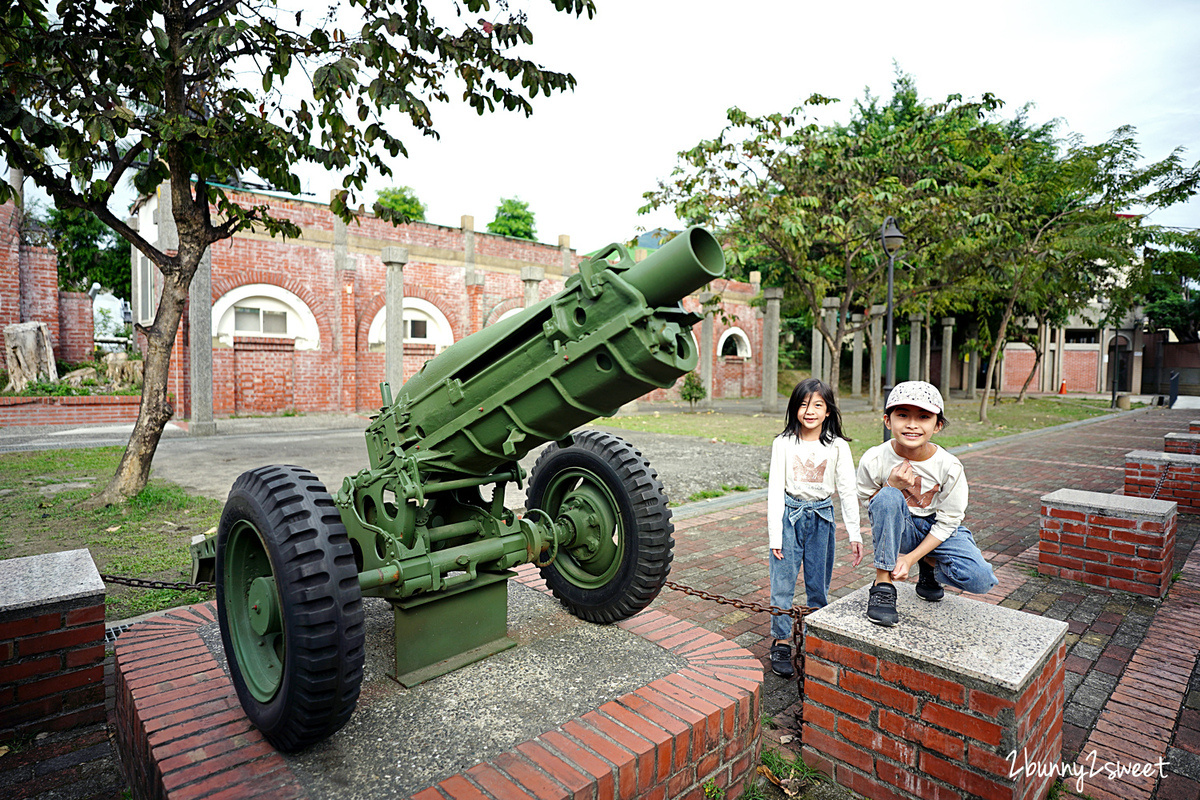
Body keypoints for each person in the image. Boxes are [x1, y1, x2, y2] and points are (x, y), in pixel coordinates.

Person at [857, 381, 997, 627]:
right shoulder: (875, 458)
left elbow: (949, 520)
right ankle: (882, 586)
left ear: (938, 425)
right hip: (900, 528)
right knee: (889, 496)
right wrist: (891, 485)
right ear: (888, 421)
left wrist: (911, 559)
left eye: (923, 417)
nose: (912, 424)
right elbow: (870, 502)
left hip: (936, 527)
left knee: (981, 579)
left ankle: (929, 564)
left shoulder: (949, 466)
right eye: (902, 415)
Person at [766, 378, 863, 677]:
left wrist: (855, 534)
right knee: (782, 585)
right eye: (804, 404)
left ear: (828, 411)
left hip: (822, 519)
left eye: (818, 405)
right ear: (795, 408)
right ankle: (782, 641)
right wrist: (775, 535)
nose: (810, 411)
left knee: (818, 586)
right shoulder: (782, 443)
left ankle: (815, 639)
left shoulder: (837, 447)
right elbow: (774, 490)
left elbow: (847, 491)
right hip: (789, 517)